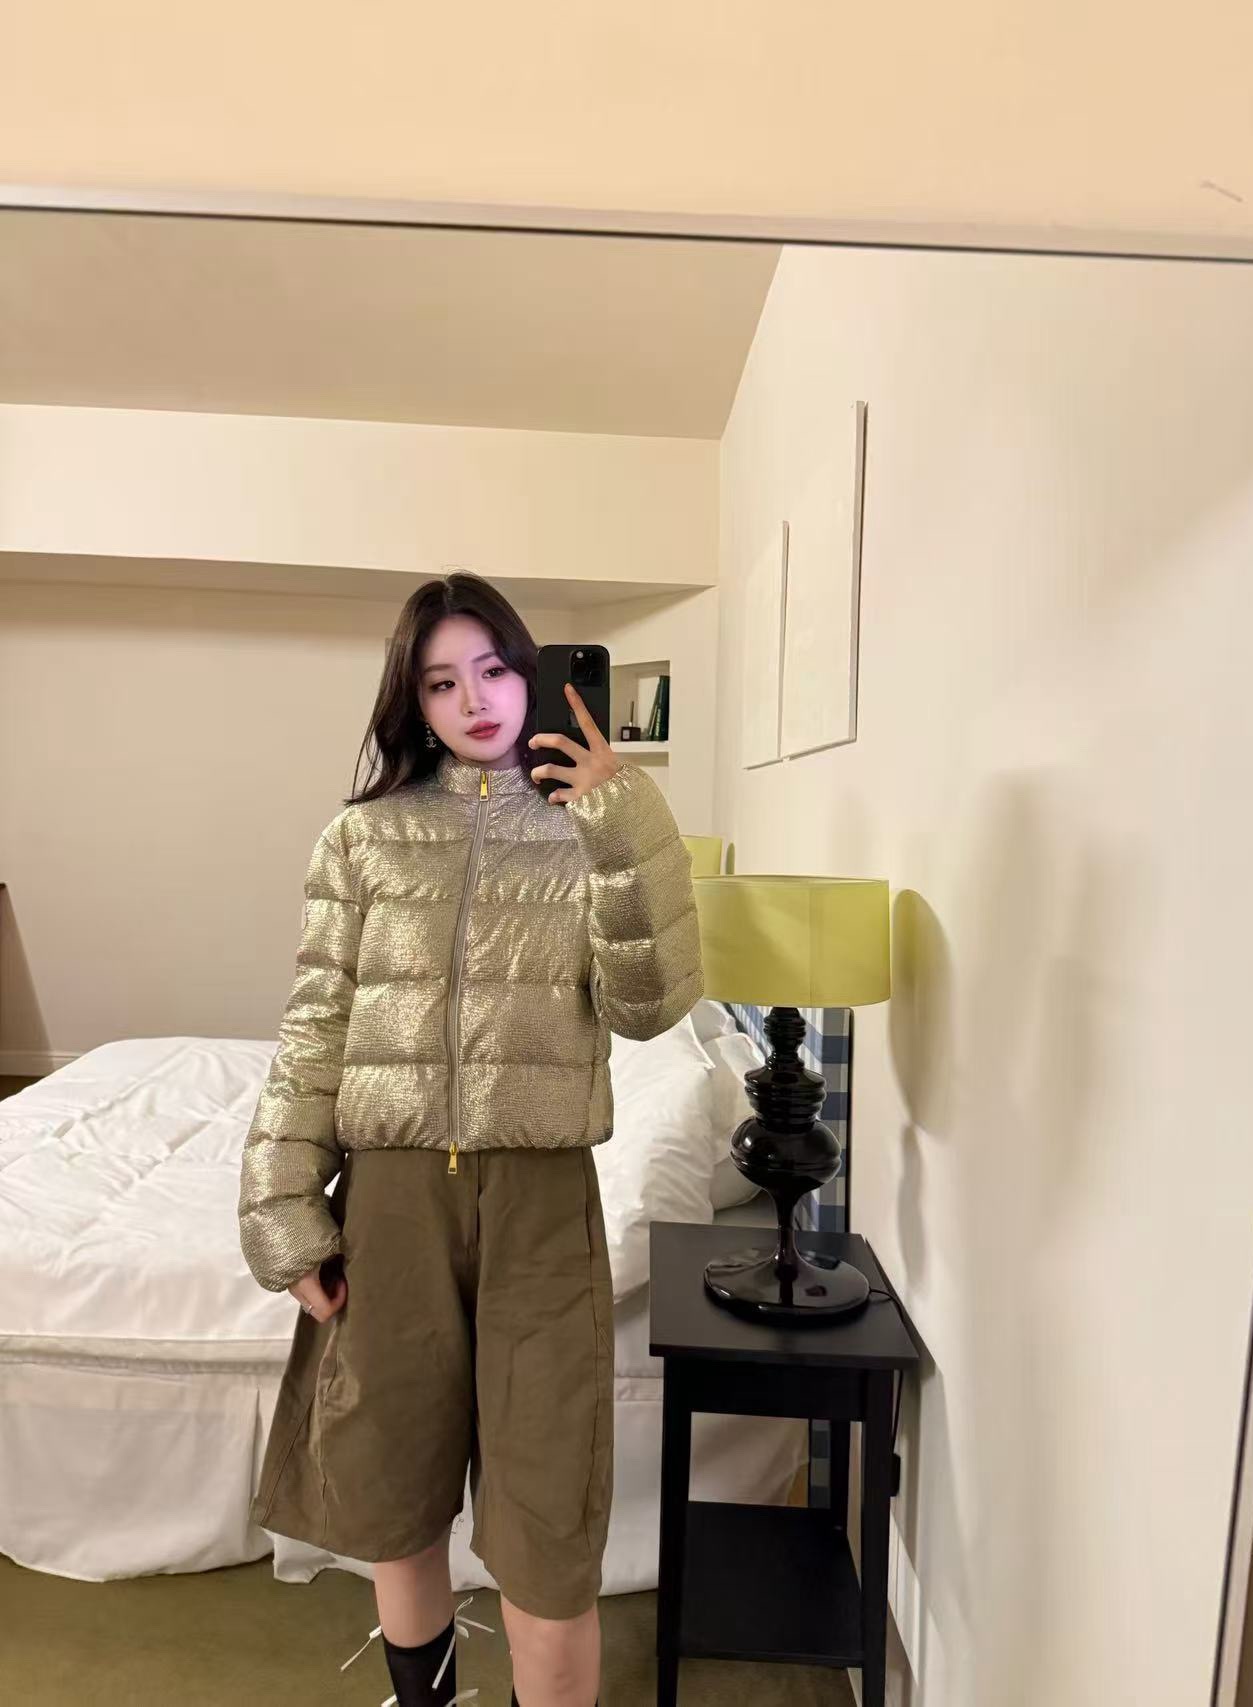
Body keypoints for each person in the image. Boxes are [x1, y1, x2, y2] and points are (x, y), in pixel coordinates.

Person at [237, 572, 703, 1707]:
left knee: (549, 1516)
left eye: (494, 669)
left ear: (532, 673)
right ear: (415, 700)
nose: (475, 700)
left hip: (541, 1207)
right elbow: (316, 1028)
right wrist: (283, 1208)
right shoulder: (363, 839)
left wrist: (621, 820)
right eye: (443, 682)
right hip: (390, 1202)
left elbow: (651, 1006)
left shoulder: (592, 832)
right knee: (393, 1488)